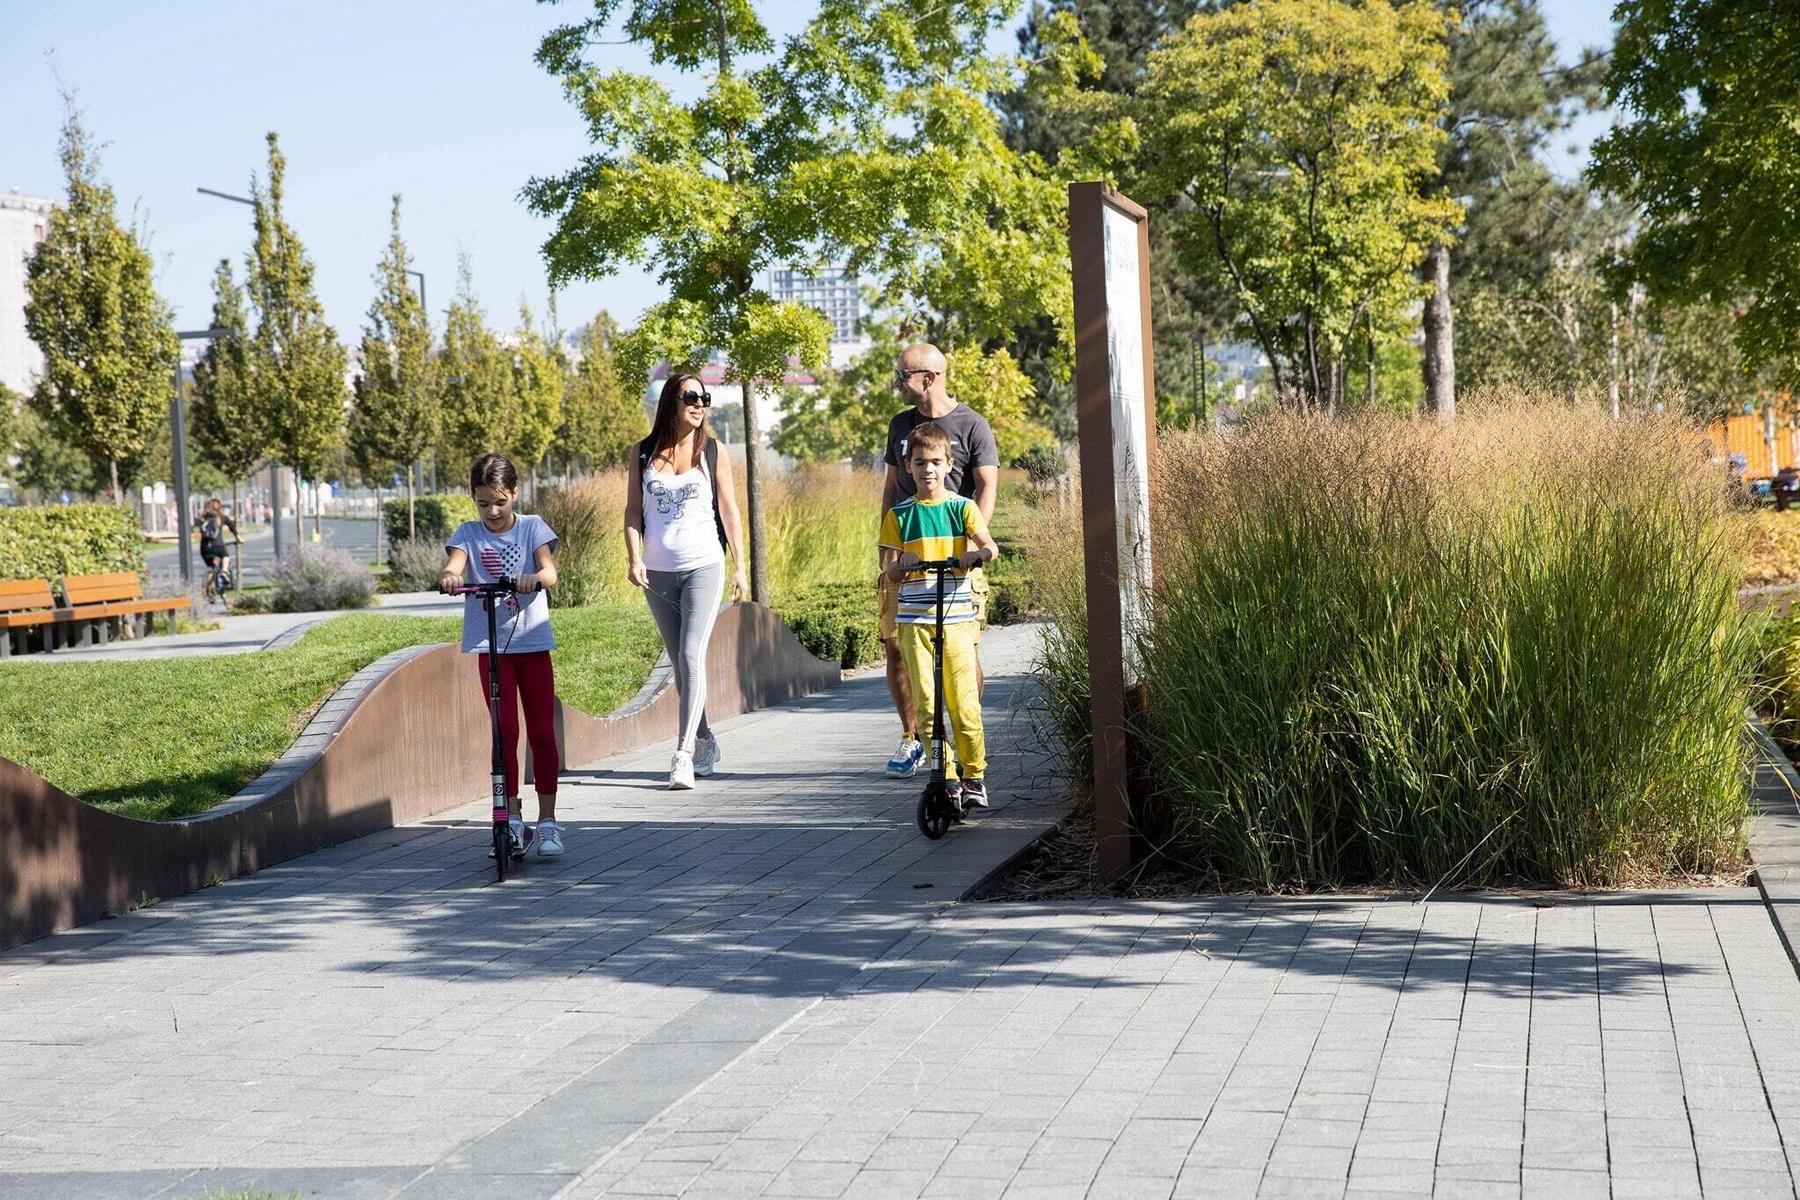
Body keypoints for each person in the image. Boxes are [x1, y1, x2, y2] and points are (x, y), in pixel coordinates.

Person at [878, 343, 999, 778]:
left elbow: (986, 487)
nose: (897, 382)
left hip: (957, 564)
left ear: (928, 378)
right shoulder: (900, 425)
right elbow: (892, 489)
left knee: (964, 656)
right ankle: (916, 738)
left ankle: (964, 736)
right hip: (907, 562)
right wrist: (886, 554)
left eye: (902, 375)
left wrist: (969, 544)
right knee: (896, 648)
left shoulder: (972, 425)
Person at [624, 372, 749, 790]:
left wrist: (740, 566)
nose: (699, 404)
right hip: (658, 573)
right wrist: (634, 557)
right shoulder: (642, 454)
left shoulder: (712, 451)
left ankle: (682, 755)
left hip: (703, 566)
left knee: (691, 654)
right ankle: (706, 738)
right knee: (680, 664)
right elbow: (632, 512)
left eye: (704, 397)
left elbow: (729, 510)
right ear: (670, 403)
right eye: (690, 397)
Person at [438, 453, 565, 859]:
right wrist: (452, 577)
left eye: (499, 502)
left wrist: (534, 578)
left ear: (513, 494)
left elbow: (550, 572)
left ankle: (547, 822)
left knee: (542, 733)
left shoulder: (531, 528)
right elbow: (455, 563)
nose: (492, 511)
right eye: (483, 503)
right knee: (504, 732)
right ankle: (510, 818)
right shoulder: (469, 534)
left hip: (531, 643)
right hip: (491, 649)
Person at [195, 498, 238, 600]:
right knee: (225, 556)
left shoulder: (203, 518)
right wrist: (238, 537)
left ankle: (209, 591)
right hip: (218, 546)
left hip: (205, 548)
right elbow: (232, 526)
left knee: (211, 567)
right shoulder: (222, 517)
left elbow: (197, 525)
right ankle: (224, 572)